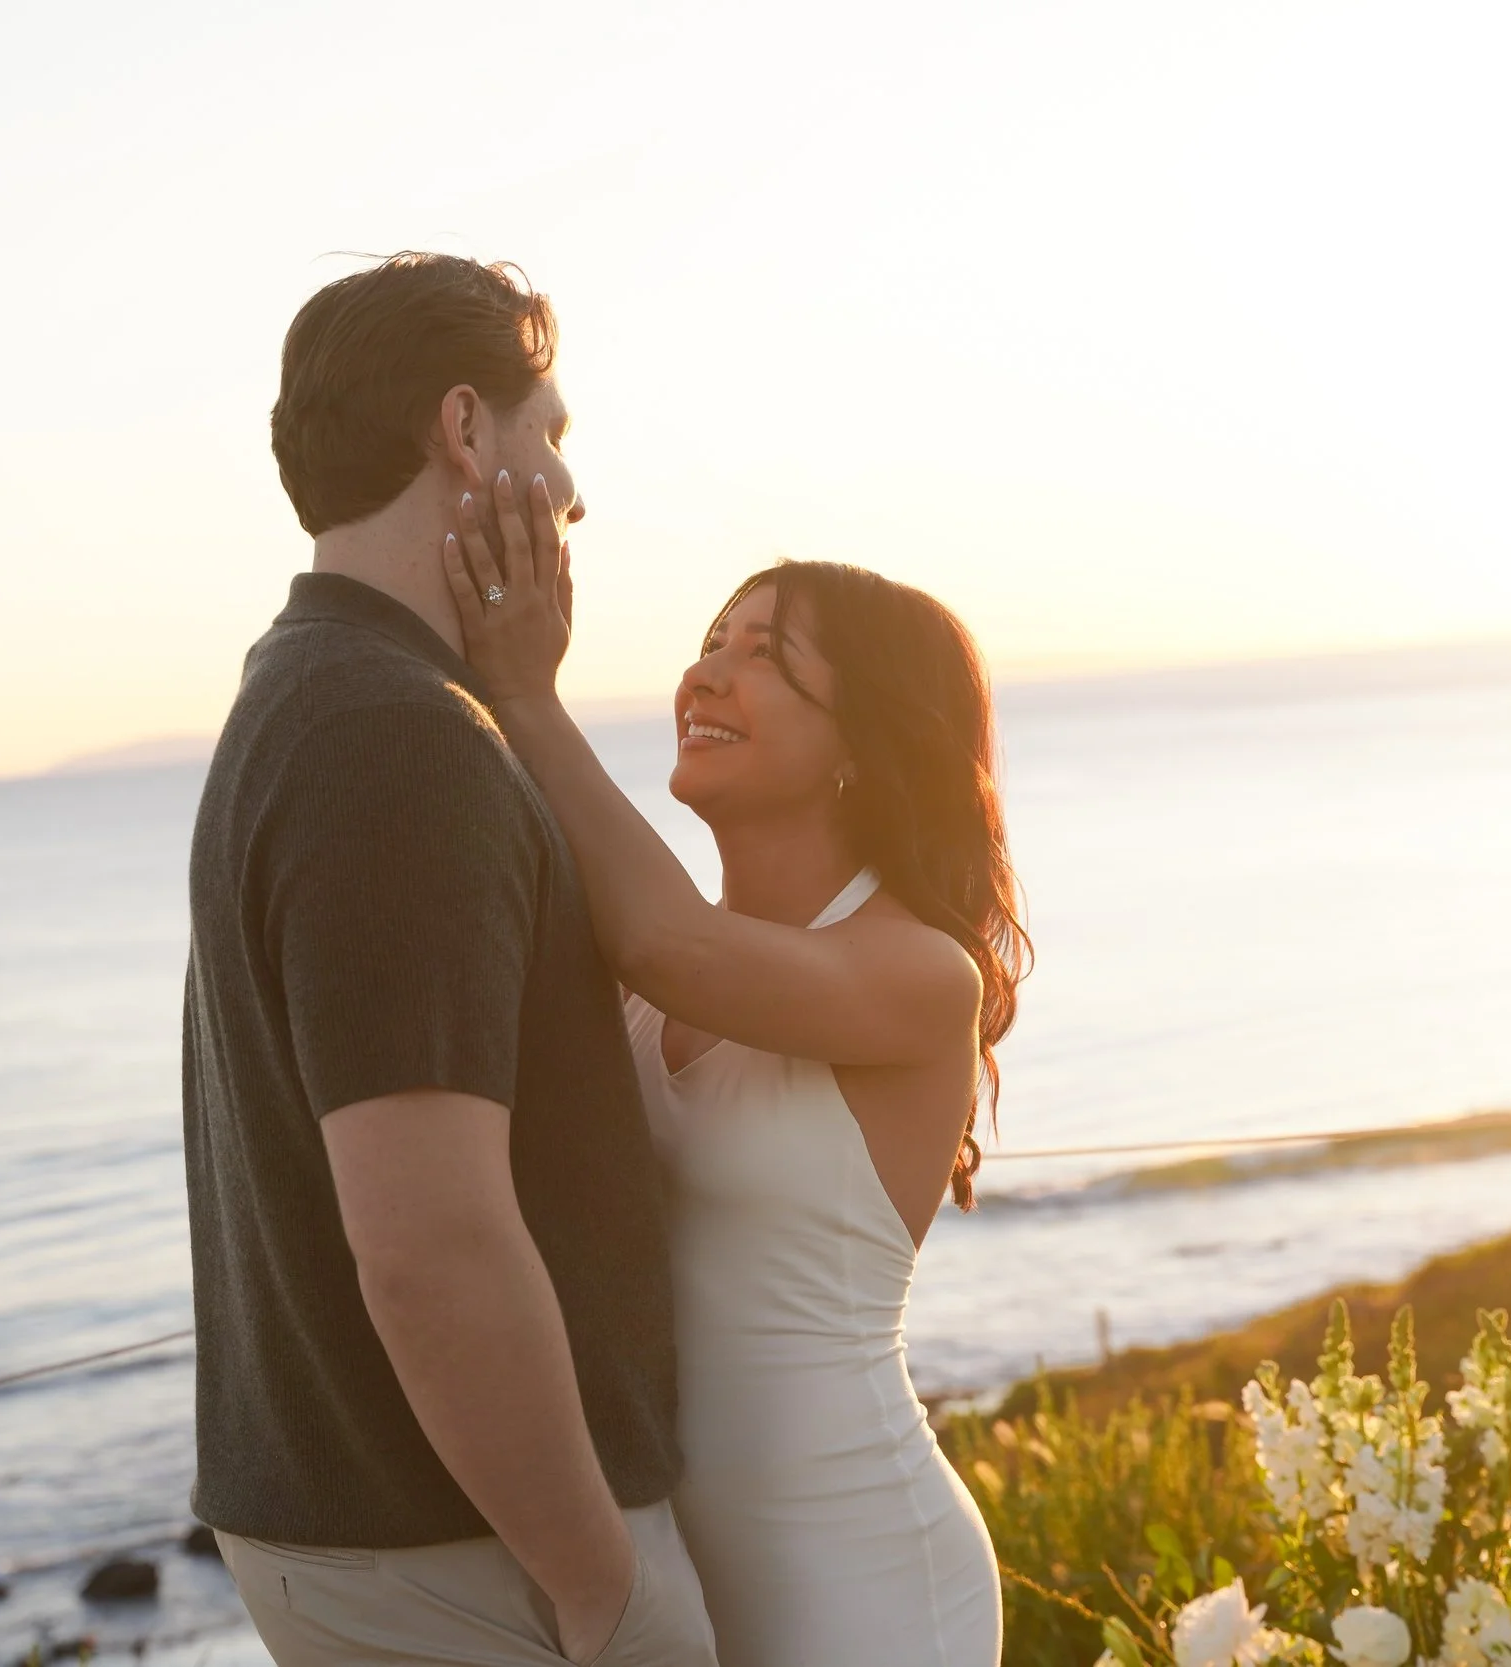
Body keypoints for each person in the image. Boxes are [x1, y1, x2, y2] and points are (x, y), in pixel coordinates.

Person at [181, 253, 719, 1667]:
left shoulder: (315, 685)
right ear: (465, 429)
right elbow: (427, 1240)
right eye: (552, 433)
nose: (574, 488)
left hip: (398, 1525)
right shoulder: (394, 739)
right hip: (470, 1549)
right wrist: (596, 1574)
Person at [443, 481, 1031, 1665]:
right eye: (710, 641)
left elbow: (671, 937)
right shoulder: (646, 975)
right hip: (676, 1563)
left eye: (762, 655)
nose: (705, 675)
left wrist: (520, 691)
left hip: (865, 1569)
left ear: (864, 739)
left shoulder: (919, 972)